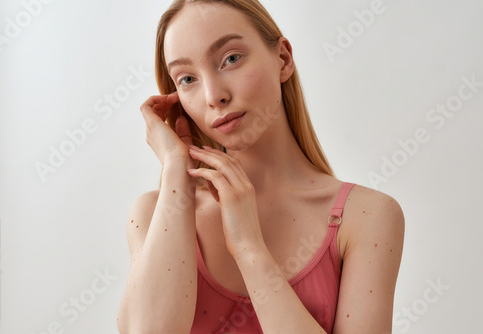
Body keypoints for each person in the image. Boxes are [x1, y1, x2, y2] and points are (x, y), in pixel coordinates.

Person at [117, 0, 405, 333]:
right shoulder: (154, 213)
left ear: (283, 59)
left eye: (231, 59)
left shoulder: (366, 216)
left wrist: (249, 248)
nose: (214, 95)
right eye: (187, 79)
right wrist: (175, 171)